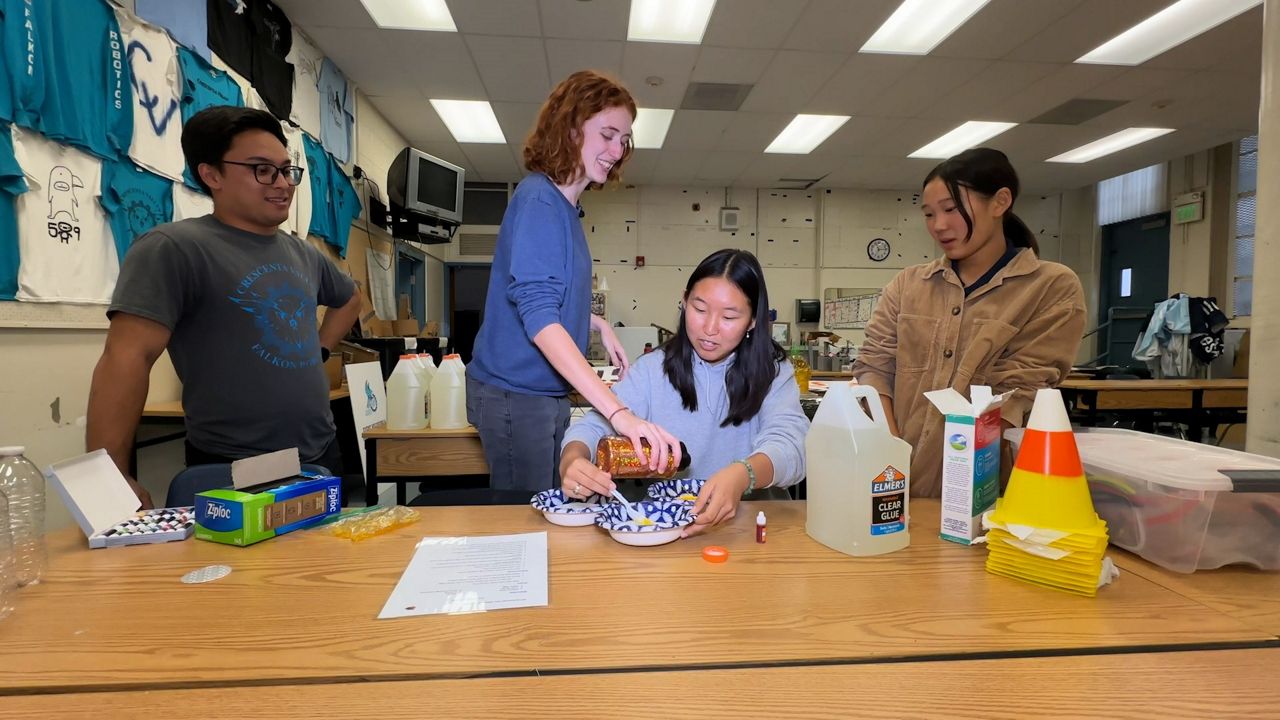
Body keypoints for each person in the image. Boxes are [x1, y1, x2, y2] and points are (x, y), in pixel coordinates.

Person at [86, 106, 362, 507]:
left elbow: (351, 298)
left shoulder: (303, 254)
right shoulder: (174, 248)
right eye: (262, 170)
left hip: (318, 451)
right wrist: (109, 475)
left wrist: (319, 349)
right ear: (211, 174)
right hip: (232, 464)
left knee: (320, 568)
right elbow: (125, 358)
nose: (282, 183)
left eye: (287, 170)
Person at [467, 71, 680, 493]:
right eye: (607, 134)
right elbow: (540, 318)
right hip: (515, 394)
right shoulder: (539, 201)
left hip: (542, 394)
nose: (617, 150)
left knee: (555, 503)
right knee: (527, 517)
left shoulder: (565, 210)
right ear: (569, 129)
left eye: (624, 139)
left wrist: (595, 323)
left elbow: (549, 299)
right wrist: (618, 413)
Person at [853, 147, 1086, 497]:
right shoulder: (908, 285)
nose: (939, 225)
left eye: (951, 209)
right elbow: (874, 366)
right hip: (892, 482)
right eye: (929, 214)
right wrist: (891, 456)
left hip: (985, 489)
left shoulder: (1051, 287)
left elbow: (1020, 390)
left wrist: (963, 486)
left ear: (1000, 201)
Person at [559, 249, 809, 537]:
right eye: (699, 309)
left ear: (753, 320)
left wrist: (744, 475)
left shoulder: (774, 373)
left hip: (749, 530)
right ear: (684, 300)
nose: (710, 328)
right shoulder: (653, 370)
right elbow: (593, 427)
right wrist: (572, 461)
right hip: (663, 532)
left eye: (729, 316)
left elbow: (792, 446)